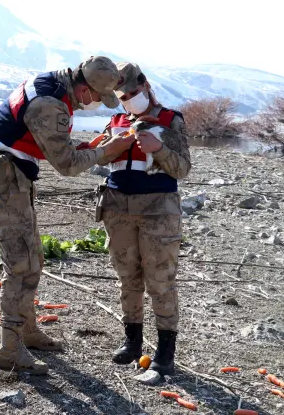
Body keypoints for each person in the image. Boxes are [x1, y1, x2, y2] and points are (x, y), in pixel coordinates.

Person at [0, 56, 127, 375]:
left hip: (10, 172)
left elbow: (47, 141)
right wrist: (107, 152)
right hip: (2, 175)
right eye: (96, 97)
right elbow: (67, 165)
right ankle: (10, 351)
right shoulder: (50, 103)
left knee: (33, 257)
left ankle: (27, 332)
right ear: (84, 87)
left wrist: (86, 146)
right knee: (20, 262)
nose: (94, 103)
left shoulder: (55, 86)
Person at [95, 62, 191, 375]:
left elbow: (182, 169)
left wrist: (159, 148)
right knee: (128, 276)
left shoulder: (170, 119)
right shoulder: (116, 120)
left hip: (158, 208)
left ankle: (165, 351)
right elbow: (101, 157)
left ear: (145, 85)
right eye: (123, 96)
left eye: (133, 93)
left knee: (160, 279)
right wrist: (109, 148)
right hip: (117, 206)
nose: (129, 100)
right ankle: (132, 341)